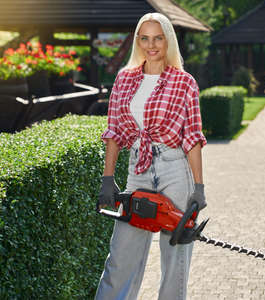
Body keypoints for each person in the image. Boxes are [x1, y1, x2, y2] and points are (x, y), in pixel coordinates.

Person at [95, 12, 207, 300]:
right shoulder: (124, 79)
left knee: (175, 260)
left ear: (168, 40)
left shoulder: (184, 82)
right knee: (120, 258)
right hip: (138, 170)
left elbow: (192, 138)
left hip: (174, 169)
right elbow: (114, 132)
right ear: (137, 41)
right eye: (145, 38)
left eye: (158, 38)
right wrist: (108, 179)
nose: (152, 45)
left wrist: (199, 188)